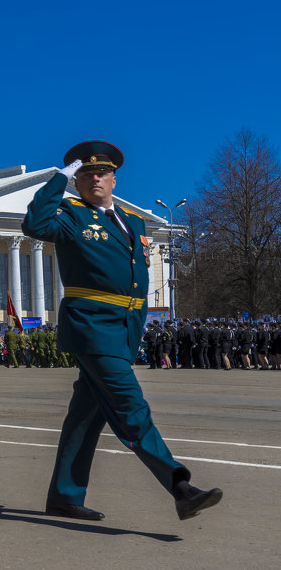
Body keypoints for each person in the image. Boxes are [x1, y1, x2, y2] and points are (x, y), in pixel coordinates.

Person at [23, 140, 222, 521]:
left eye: (101, 173)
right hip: (92, 325)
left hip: (125, 328)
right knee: (131, 406)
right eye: (84, 174)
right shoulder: (69, 214)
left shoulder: (133, 221)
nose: (93, 178)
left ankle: (64, 495)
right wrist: (56, 182)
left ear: (114, 179)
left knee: (86, 415)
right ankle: (179, 486)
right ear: (76, 181)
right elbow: (34, 224)